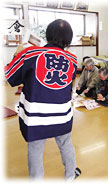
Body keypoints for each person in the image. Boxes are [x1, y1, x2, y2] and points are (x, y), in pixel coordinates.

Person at [4, 19, 81, 180]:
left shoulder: (30, 53)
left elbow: (10, 76)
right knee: (65, 143)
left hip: (36, 116)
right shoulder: (73, 59)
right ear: (69, 40)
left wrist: (17, 53)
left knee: (35, 148)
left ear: (47, 35)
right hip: (62, 114)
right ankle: (70, 175)